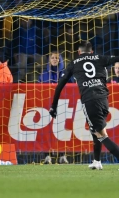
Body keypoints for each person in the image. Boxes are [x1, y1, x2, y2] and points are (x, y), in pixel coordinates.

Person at [49, 41, 119, 170]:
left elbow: (60, 85)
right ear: (91, 52)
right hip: (104, 99)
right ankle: (97, 161)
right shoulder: (100, 58)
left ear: (79, 52)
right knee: (96, 129)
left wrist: (54, 105)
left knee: (101, 135)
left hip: (90, 100)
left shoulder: (74, 63)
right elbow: (116, 58)